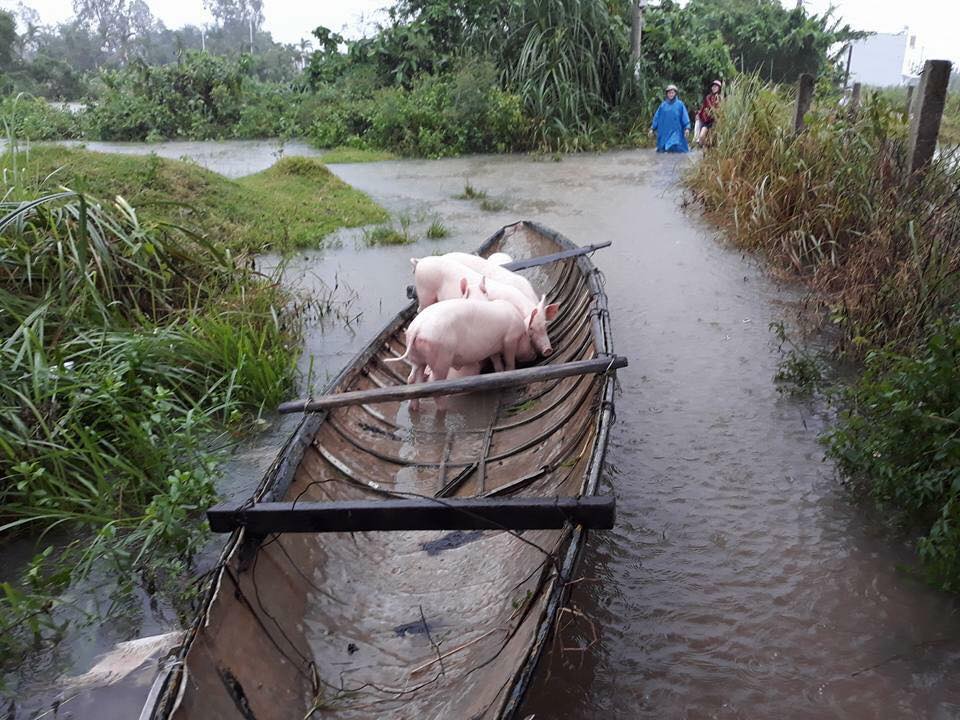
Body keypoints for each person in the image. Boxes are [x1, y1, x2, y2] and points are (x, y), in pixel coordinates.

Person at [649, 84, 690, 153]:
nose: (671, 94)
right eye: (669, 93)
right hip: (664, 132)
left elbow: (685, 117)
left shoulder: (680, 104)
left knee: (674, 145)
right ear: (667, 94)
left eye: (672, 93)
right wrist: (652, 128)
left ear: (675, 94)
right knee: (664, 150)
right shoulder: (663, 105)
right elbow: (657, 117)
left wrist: (687, 128)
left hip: (676, 132)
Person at [696, 79, 722, 147]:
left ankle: (710, 148)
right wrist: (699, 114)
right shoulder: (708, 97)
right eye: (713, 86)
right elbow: (703, 107)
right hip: (707, 121)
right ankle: (704, 147)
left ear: (719, 88)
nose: (714, 88)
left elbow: (721, 111)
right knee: (701, 137)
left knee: (714, 140)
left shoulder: (720, 98)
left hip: (716, 122)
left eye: (716, 87)